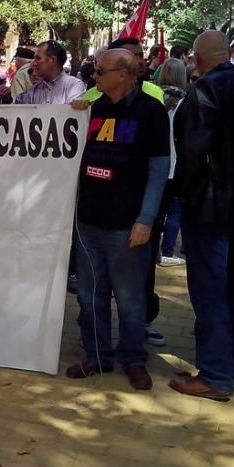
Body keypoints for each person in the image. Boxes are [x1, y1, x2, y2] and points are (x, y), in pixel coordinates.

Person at [170, 30, 234, 401]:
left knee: (210, 289)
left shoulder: (206, 92)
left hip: (209, 205)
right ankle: (225, 362)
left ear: (197, 58)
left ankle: (214, 375)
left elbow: (193, 152)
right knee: (227, 286)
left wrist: (182, 192)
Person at [66, 49, 170, 391]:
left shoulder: (151, 112)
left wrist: (147, 218)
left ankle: (133, 358)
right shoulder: (92, 107)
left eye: (101, 71)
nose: (95, 76)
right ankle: (97, 355)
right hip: (89, 221)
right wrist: (73, 116)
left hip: (128, 224)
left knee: (129, 298)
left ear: (124, 74)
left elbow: (158, 169)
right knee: (90, 294)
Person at [154, 58, 187, 268]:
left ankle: (152, 249)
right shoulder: (187, 102)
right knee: (174, 212)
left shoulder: (154, 97)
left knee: (156, 211)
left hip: (156, 164)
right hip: (176, 166)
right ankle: (166, 252)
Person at [84, 38, 164, 104]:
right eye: (132, 56)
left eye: (141, 55)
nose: (140, 61)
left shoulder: (155, 92)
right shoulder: (90, 96)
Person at [15, 41, 86, 104]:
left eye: (38, 58)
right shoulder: (33, 92)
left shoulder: (74, 86)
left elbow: (72, 115)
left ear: (52, 60)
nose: (33, 63)